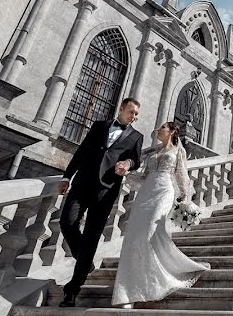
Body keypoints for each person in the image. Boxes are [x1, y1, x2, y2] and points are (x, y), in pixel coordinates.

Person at [111, 121, 209, 307]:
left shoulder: (178, 151)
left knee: (150, 231)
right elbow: (143, 177)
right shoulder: (154, 154)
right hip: (145, 193)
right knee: (134, 236)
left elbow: (181, 174)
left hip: (164, 192)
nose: (158, 130)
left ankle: (159, 278)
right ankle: (128, 291)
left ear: (172, 132)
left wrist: (186, 198)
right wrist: (125, 174)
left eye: (162, 127)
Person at [57, 97, 144, 308]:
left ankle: (72, 291)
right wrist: (66, 176)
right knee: (66, 222)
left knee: (91, 237)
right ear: (121, 108)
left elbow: (137, 160)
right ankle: (85, 262)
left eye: (136, 115)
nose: (134, 117)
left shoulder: (136, 136)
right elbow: (81, 152)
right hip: (82, 183)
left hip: (106, 190)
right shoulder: (99, 126)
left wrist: (127, 163)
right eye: (131, 112)